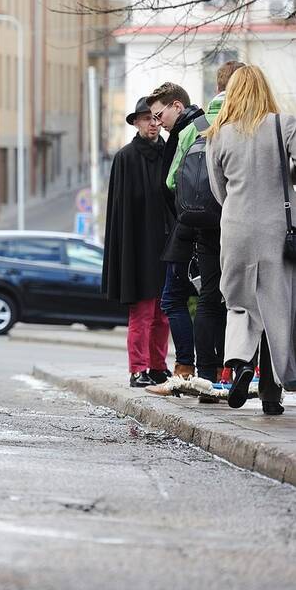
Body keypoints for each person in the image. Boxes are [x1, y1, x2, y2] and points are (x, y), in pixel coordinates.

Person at [205, 65, 294, 416]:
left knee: (240, 303)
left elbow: (219, 190)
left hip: (237, 229)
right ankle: (273, 392)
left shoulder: (218, 135)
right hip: (278, 232)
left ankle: (241, 363)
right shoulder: (283, 124)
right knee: (277, 306)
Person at [159, 61, 243, 393]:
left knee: (209, 298)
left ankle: (207, 375)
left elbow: (170, 180)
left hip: (206, 224)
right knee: (244, 301)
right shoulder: (251, 120)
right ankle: (242, 370)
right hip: (242, 220)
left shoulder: (198, 124)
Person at [102, 97, 171, 388]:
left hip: (165, 244)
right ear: (136, 122)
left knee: (164, 313)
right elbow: (120, 211)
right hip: (137, 246)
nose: (153, 124)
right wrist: (126, 253)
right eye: (147, 119)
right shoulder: (126, 157)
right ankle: (138, 368)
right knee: (142, 313)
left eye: (156, 118)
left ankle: (158, 365)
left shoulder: (170, 152)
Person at [148, 82, 204, 383]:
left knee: (172, 298)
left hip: (188, 226)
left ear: (177, 106)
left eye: (160, 114)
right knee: (206, 298)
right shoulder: (199, 124)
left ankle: (186, 367)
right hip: (195, 225)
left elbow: (171, 182)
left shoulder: (187, 131)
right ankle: (204, 367)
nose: (158, 122)